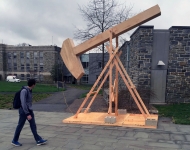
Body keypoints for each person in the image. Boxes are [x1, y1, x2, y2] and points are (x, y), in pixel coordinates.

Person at [11, 79, 47, 146]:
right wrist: (27, 113)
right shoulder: (24, 91)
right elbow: (23, 103)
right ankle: (14, 140)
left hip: (29, 110)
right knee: (20, 125)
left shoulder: (29, 90)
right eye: (35, 84)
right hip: (24, 111)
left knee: (33, 125)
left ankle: (38, 140)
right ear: (33, 84)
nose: (35, 85)